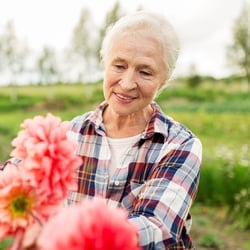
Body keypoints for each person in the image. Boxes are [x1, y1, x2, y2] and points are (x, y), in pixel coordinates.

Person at [67, 10, 202, 249]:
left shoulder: (180, 145)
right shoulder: (70, 134)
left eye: (145, 72)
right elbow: (18, 177)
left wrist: (68, 235)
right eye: (119, 66)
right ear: (105, 64)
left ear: (164, 80)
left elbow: (155, 228)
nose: (127, 83)